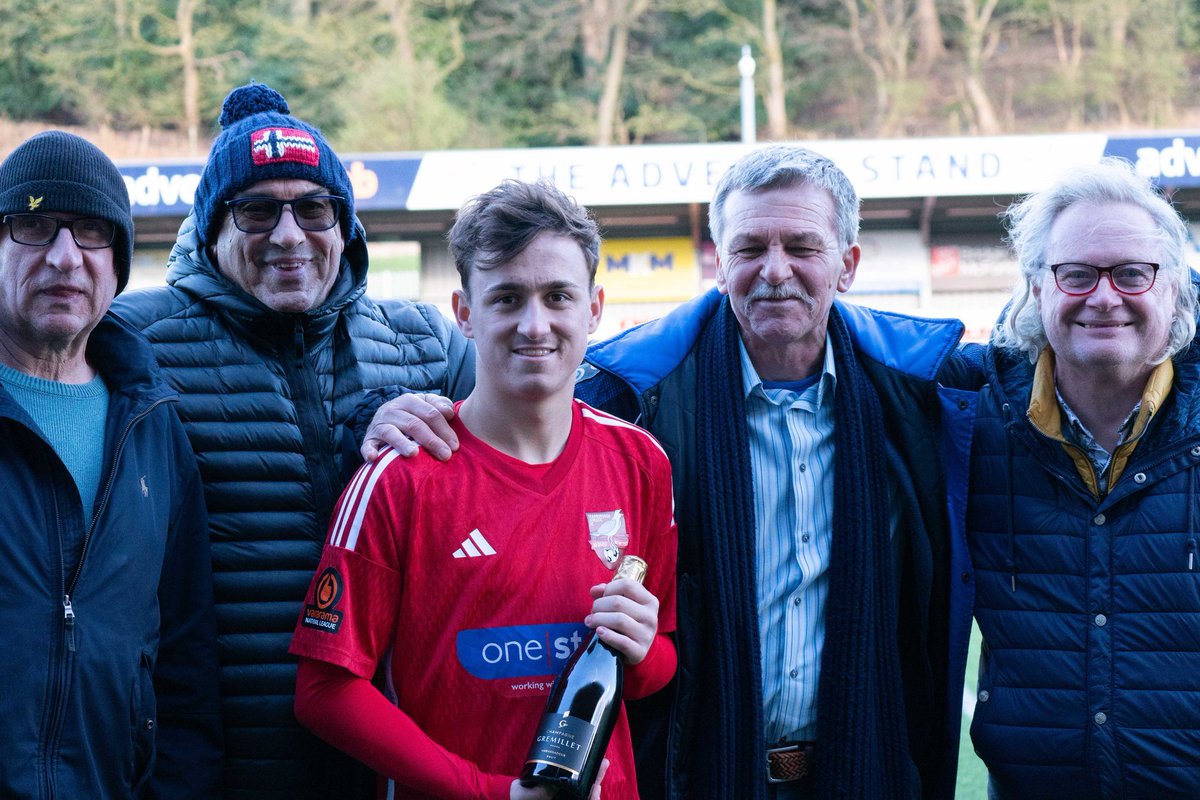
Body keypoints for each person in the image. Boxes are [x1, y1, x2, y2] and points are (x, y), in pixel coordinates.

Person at [360, 145, 977, 800]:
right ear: (718, 263)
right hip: (694, 769)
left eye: (801, 246)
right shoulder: (633, 396)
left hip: (867, 765)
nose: (774, 270)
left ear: (847, 265)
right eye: (749, 249)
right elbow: (515, 393)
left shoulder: (921, 394)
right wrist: (402, 405)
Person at [111, 82, 475, 800]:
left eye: (313, 208)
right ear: (212, 228)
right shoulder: (133, 343)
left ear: (345, 226)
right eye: (256, 210)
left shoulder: (426, 343)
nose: (288, 237)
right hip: (219, 769)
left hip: (401, 756)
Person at [289, 179, 678, 799]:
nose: (535, 324)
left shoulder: (641, 462)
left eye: (558, 297)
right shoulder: (399, 479)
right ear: (464, 312)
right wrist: (491, 793)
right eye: (507, 298)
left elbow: (654, 672)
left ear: (595, 308)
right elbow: (324, 691)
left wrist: (644, 649)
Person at [967, 158, 1200, 798]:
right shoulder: (971, 416)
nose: (1104, 297)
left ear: (1175, 288)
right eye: (1076, 275)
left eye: (1132, 273)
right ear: (1038, 289)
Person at [0, 131, 221, 797]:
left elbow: (186, 666)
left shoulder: (153, 427)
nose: (64, 257)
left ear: (118, 261)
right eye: (34, 225)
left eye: (91, 231)